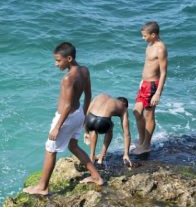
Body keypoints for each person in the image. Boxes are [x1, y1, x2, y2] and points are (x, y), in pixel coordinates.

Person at [24, 42, 104, 195]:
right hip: (78, 114)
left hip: (66, 117)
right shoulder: (84, 71)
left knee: (50, 149)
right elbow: (88, 96)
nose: (56, 64)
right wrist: (84, 117)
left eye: (58, 60)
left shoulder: (68, 79)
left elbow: (67, 106)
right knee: (73, 146)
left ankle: (42, 187)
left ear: (69, 58)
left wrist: (57, 127)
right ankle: (97, 177)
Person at [132, 21, 168, 155]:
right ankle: (142, 140)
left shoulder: (160, 48)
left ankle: (146, 145)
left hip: (153, 85)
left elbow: (163, 72)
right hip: (145, 84)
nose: (143, 38)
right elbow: (147, 65)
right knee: (136, 111)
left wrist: (158, 93)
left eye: (145, 35)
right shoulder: (150, 44)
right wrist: (142, 81)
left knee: (148, 114)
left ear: (153, 35)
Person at [83, 94, 133, 167]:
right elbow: (126, 133)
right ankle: (101, 159)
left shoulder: (102, 96)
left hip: (90, 119)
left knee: (93, 130)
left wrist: (86, 132)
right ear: (125, 105)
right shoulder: (123, 107)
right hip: (102, 121)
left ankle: (92, 156)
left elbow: (87, 113)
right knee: (110, 129)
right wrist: (126, 154)